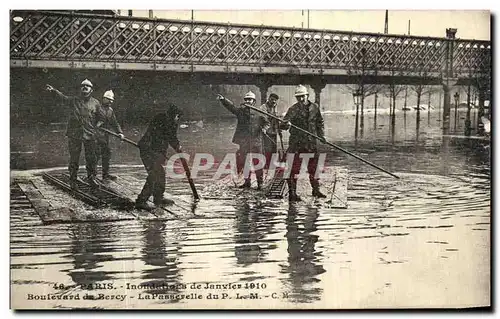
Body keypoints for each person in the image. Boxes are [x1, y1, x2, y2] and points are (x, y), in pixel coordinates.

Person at [45, 79, 101, 188]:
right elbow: (62, 98)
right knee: (74, 157)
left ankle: (91, 178)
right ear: (80, 88)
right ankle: (73, 178)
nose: (85, 87)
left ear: (91, 89)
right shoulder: (74, 100)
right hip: (74, 134)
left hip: (89, 134)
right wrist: (53, 91)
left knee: (91, 158)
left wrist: (98, 126)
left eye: (87, 86)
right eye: (83, 86)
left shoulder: (96, 103)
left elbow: (100, 118)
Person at [281, 85, 327, 202]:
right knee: (292, 169)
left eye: (302, 96)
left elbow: (319, 122)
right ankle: (292, 194)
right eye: (298, 97)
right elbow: (283, 125)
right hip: (296, 144)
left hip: (311, 143)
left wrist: (321, 136)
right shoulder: (293, 109)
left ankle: (315, 190)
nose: (301, 99)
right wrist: (286, 124)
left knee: (314, 168)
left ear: (307, 95)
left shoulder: (315, 108)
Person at [216, 91, 270, 190]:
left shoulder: (259, 112)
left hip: (256, 141)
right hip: (244, 142)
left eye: (250, 100)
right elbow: (231, 107)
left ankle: (260, 183)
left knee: (257, 162)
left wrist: (264, 128)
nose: (248, 101)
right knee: (245, 162)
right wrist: (223, 100)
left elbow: (267, 122)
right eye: (247, 100)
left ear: (254, 101)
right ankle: (247, 182)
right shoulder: (240, 111)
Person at [135, 105, 183, 211]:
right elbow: (167, 136)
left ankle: (158, 198)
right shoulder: (161, 119)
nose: (178, 119)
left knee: (160, 174)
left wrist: (177, 147)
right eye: (177, 117)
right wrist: (176, 146)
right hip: (148, 150)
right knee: (154, 174)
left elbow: (171, 138)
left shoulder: (170, 122)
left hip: (156, 152)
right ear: (174, 115)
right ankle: (141, 201)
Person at [96, 90, 124, 181]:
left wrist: (119, 132)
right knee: (95, 155)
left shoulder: (110, 110)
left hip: (105, 136)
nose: (111, 102)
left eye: (112, 100)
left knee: (107, 154)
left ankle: (105, 174)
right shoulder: (97, 108)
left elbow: (115, 123)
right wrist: (96, 124)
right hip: (95, 135)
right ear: (104, 99)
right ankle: (92, 175)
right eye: (109, 100)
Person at [260, 93, 282, 169]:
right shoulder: (263, 107)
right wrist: (265, 128)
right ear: (269, 98)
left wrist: (279, 129)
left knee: (274, 147)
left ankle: (273, 164)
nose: (273, 101)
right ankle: (266, 164)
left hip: (274, 130)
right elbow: (264, 118)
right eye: (272, 99)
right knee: (267, 148)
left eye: (275, 100)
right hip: (266, 131)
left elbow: (277, 118)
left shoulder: (275, 107)